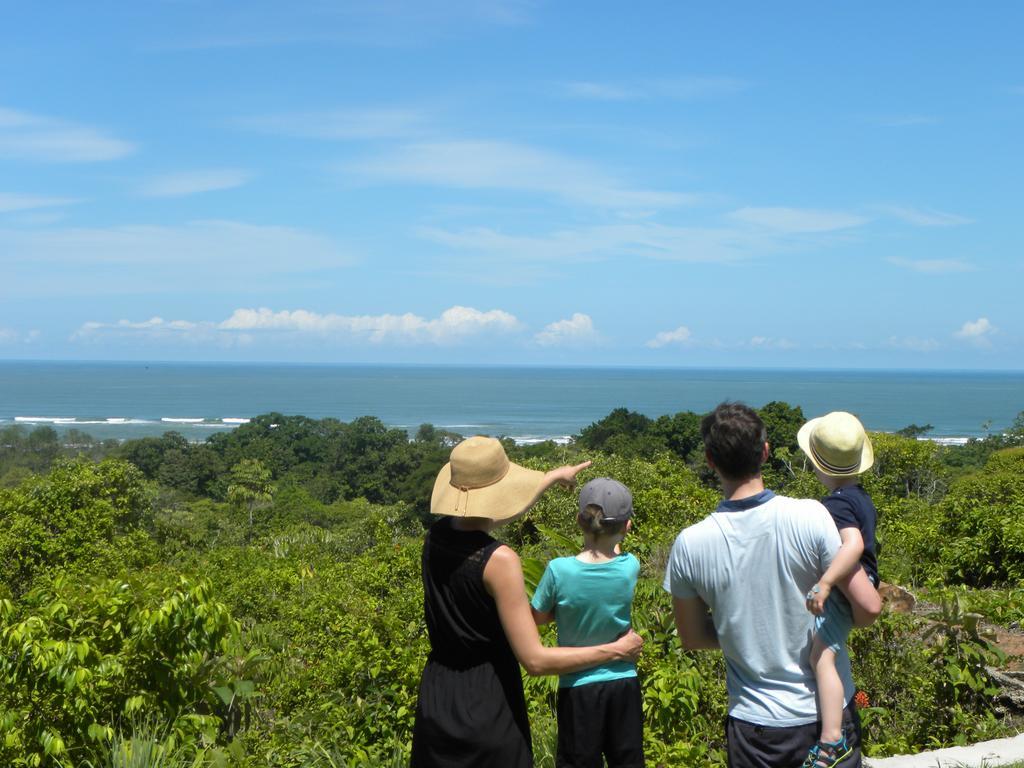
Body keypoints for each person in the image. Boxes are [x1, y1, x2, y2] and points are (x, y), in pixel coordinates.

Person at [662, 402, 880, 768]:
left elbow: (693, 637)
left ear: (710, 460)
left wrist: (745, 632)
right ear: (765, 452)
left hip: (754, 726)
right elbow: (869, 607)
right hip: (825, 718)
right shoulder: (812, 515)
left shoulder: (689, 543)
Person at [411, 436, 644, 768]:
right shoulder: (500, 561)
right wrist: (615, 651)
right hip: (487, 703)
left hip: (438, 696)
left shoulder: (434, 537)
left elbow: (489, 517)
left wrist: (550, 478)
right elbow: (535, 661)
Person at [530, 477, 644, 768]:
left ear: (580, 522)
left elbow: (538, 618)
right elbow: (614, 554)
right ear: (626, 526)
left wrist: (569, 610)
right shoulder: (629, 567)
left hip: (578, 686)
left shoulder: (559, 571)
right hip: (623, 685)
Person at [797, 412, 882, 768]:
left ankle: (832, 741)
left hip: (850, 586)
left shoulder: (836, 504)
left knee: (822, 657)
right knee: (826, 653)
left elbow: (853, 544)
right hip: (863, 584)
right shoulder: (859, 497)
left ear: (818, 465)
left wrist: (827, 582)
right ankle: (833, 737)